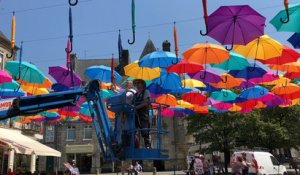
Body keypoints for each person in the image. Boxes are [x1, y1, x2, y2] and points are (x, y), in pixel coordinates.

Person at [132, 79, 151, 148]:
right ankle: (135, 145)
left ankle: (147, 144)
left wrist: (136, 107)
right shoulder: (135, 95)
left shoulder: (146, 92)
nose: (137, 84)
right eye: (136, 83)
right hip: (136, 114)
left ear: (142, 84)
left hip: (143, 113)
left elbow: (146, 103)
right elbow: (132, 103)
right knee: (134, 129)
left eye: (138, 83)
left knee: (145, 129)